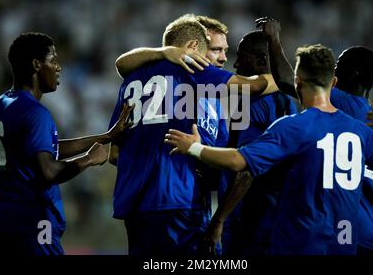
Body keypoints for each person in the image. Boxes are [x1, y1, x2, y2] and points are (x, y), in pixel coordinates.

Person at [165, 44, 373, 255]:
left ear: (297, 81)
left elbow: (239, 161)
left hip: (304, 238)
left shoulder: (294, 127)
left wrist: (193, 147)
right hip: (347, 238)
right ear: (333, 83)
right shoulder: (360, 130)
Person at [108, 15, 278, 256]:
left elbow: (114, 153)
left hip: (134, 205)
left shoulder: (131, 82)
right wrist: (289, 78)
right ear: (193, 47)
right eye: (215, 49)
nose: (222, 58)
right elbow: (255, 86)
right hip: (179, 199)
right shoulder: (193, 71)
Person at [0, 32, 133, 255]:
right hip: (31, 222)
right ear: (36, 64)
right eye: (53, 60)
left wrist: (106, 137)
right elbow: (49, 171)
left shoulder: (1, 104)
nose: (58, 67)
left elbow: (43, 148)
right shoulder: (36, 112)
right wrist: (90, 159)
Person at [203, 28, 297, 256]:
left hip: (249, 216)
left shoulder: (253, 103)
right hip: (280, 214)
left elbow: (247, 167)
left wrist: (219, 219)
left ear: (261, 59)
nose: (234, 65)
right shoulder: (290, 101)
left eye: (241, 57)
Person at [331, 46, 373, 255]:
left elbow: (290, 81)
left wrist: (274, 41)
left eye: (339, 65)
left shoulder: (338, 100)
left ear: (355, 72)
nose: (334, 69)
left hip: (345, 225)